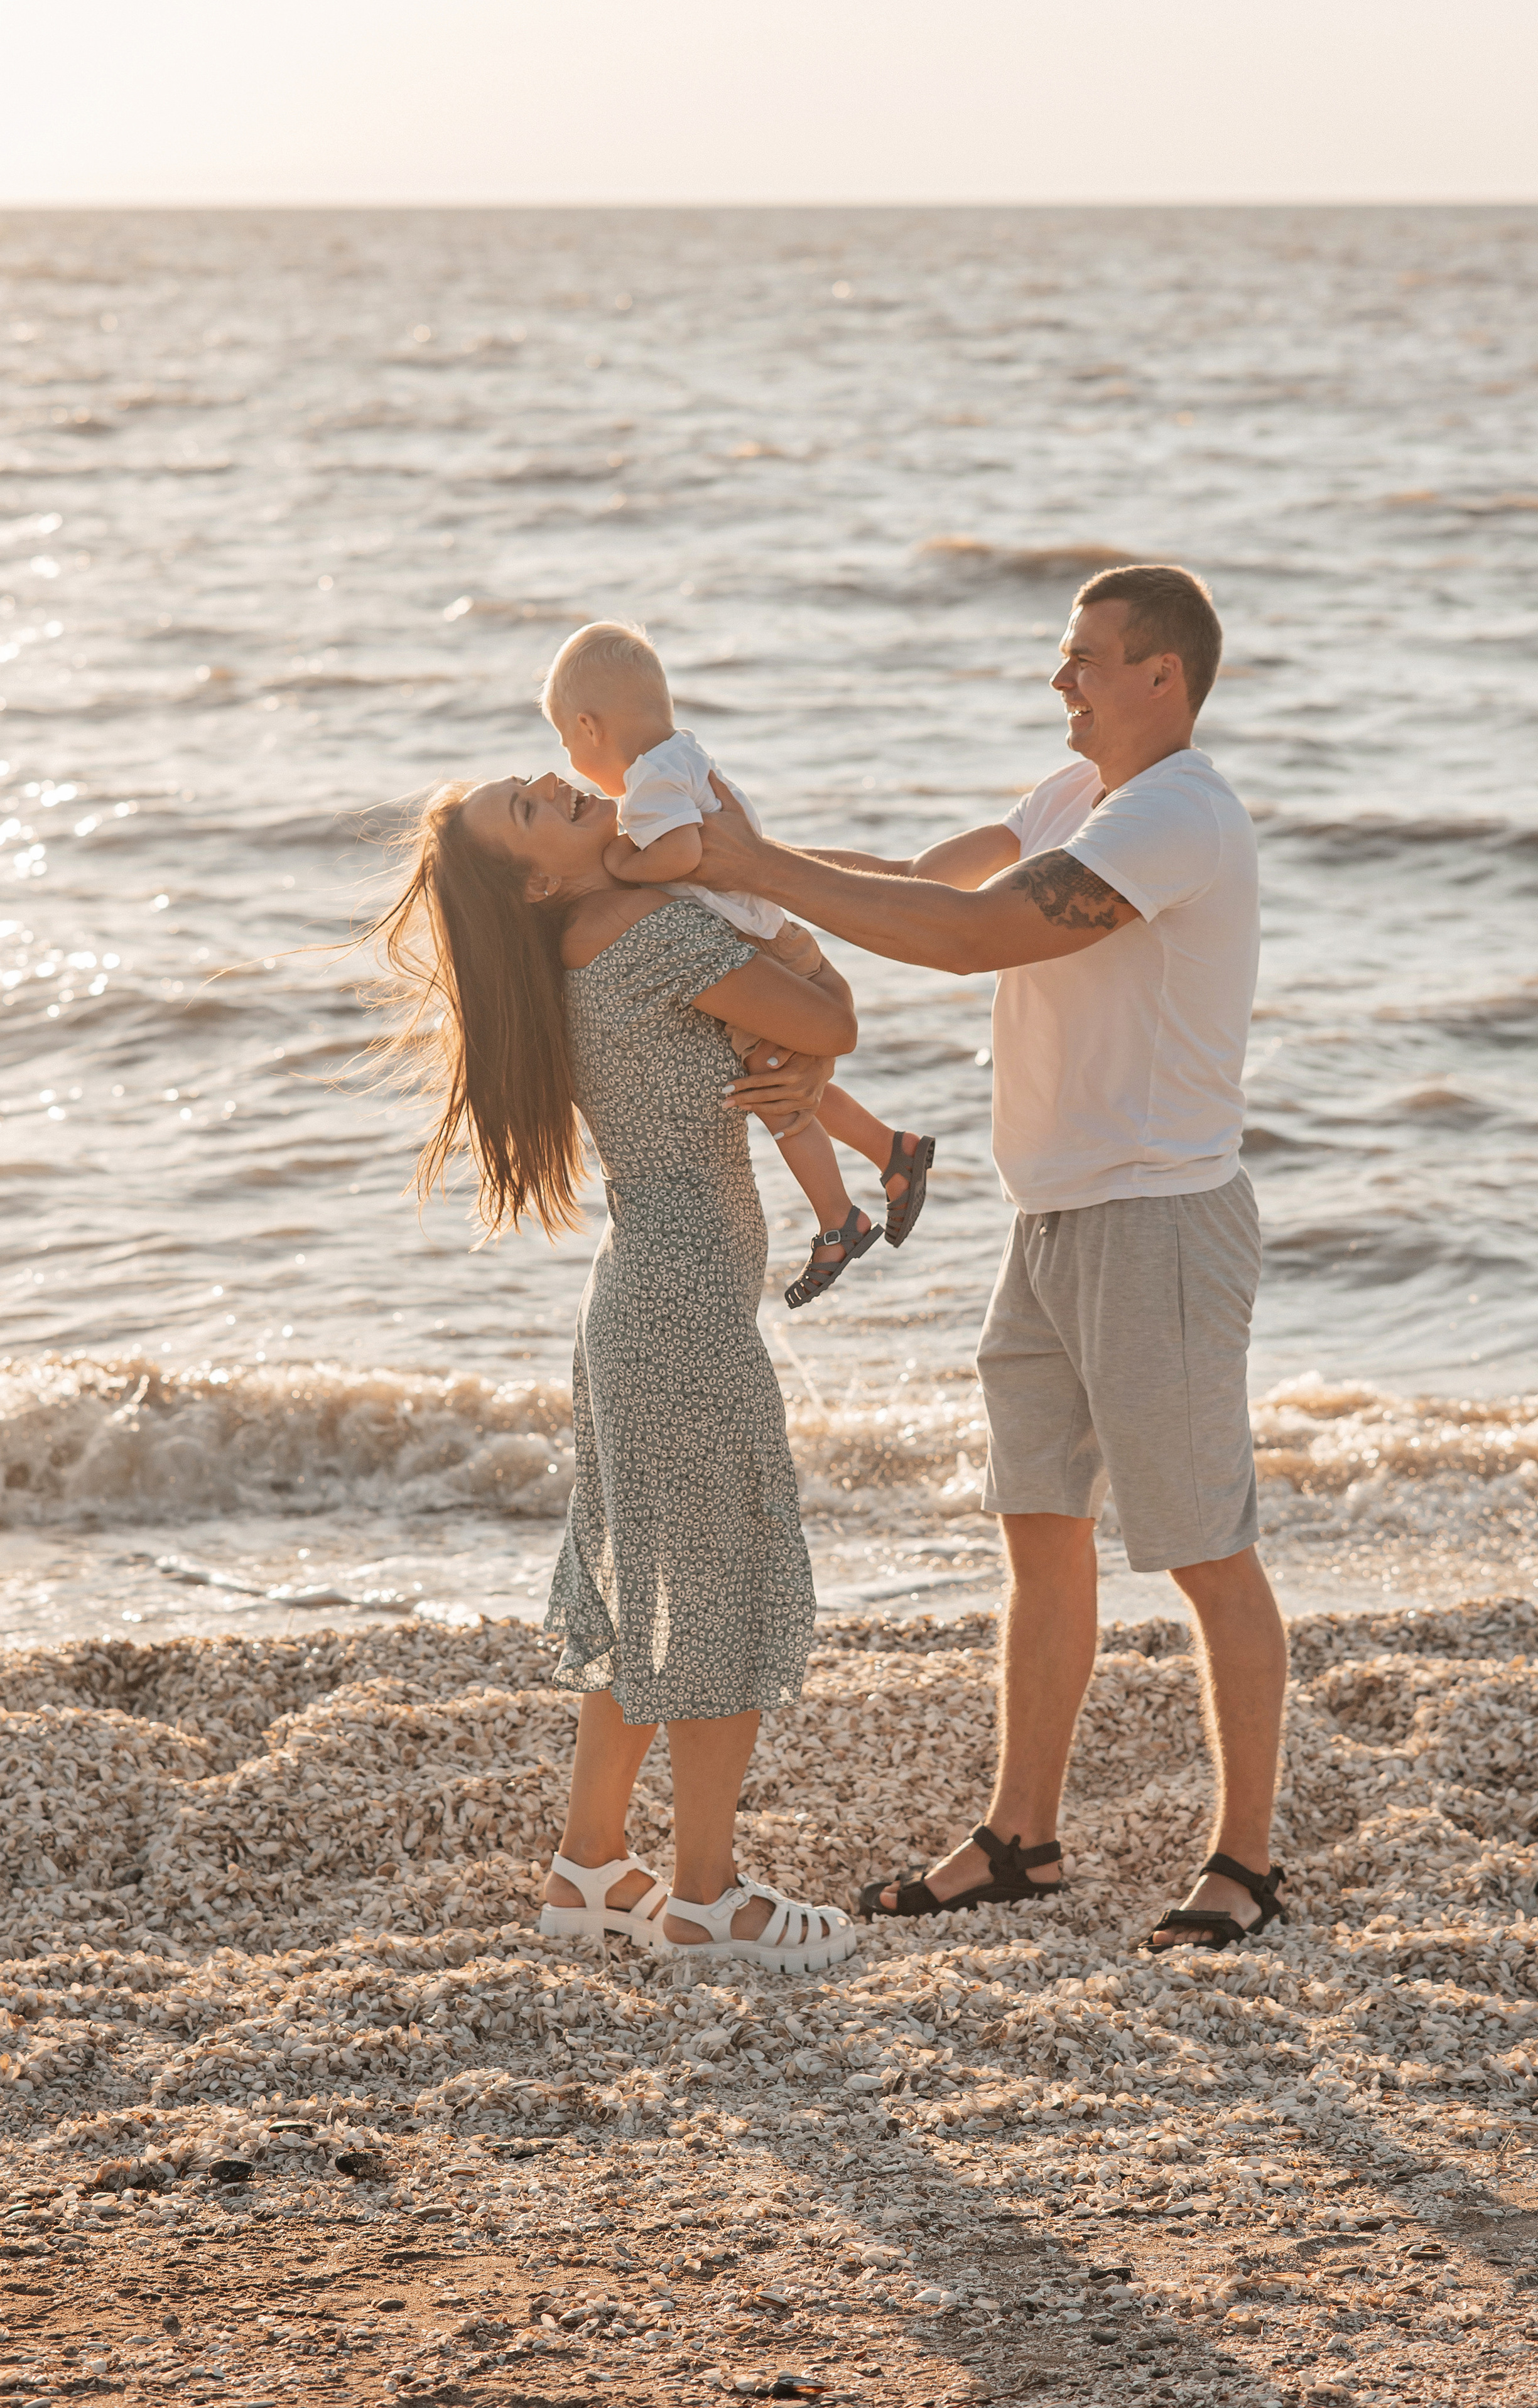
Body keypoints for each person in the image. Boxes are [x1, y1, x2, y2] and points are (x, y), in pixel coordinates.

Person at [700, 564, 1290, 1953]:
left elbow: (973, 940)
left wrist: (754, 868)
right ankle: (1022, 1839)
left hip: (1157, 1221)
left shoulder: (1178, 816)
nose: (1059, 677)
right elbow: (923, 885)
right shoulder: (1074, 793)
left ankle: (1247, 1865)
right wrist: (723, 870)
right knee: (1040, 1528)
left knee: (1205, 1552)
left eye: (1085, 657)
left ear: (1162, 676)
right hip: (1052, 1220)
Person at [367, 768, 857, 1972]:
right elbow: (829, 1023)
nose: (553, 782)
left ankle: (589, 1869)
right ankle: (707, 1900)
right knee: (717, 1587)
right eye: (530, 809)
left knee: (650, 1585)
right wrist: (785, 942)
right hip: (678, 1309)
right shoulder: (642, 928)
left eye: (532, 781)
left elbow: (791, 1043)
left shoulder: (584, 943)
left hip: (637, 1300)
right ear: (538, 882)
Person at [542, 618, 934, 1307]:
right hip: (769, 929)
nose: (569, 759)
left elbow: (682, 853)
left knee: (775, 1088)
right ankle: (889, 1151)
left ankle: (839, 1217)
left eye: (565, 740)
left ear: (588, 726)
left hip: (755, 943)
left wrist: (621, 862)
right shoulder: (682, 755)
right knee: (782, 1075)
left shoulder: (648, 785)